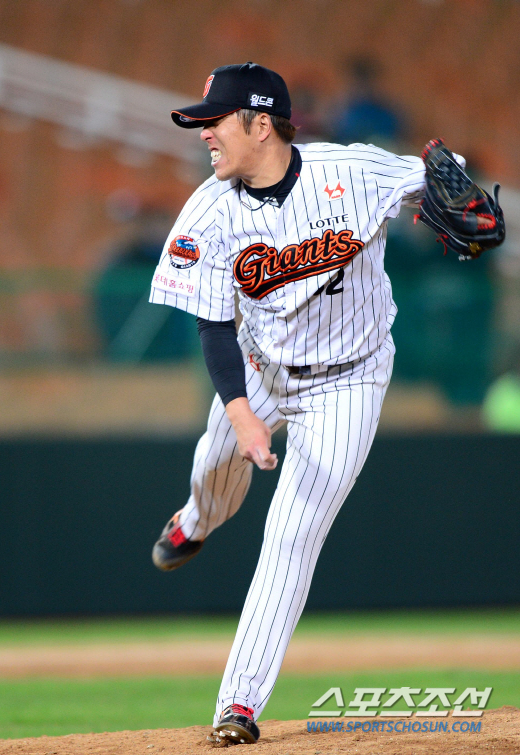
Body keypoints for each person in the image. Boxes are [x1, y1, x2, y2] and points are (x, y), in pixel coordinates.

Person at [148, 62, 430, 745]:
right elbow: (213, 324)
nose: (203, 134)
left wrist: (465, 202)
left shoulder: (353, 170)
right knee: (213, 470)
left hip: (350, 381)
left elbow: (436, 179)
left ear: (261, 124)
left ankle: (238, 704)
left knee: (291, 535)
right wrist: (241, 412)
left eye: (214, 121)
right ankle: (195, 520)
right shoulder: (210, 210)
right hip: (258, 367)